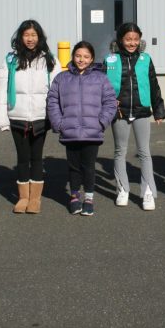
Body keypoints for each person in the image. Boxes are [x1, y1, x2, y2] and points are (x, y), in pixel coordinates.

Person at [46, 41, 117, 216]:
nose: (81, 59)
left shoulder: (100, 78)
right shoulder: (61, 78)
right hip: (69, 131)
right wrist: (59, 123)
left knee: (89, 166)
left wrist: (101, 122)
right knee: (73, 167)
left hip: (92, 132)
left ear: (92, 58)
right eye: (78, 56)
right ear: (72, 57)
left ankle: (89, 198)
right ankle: (75, 197)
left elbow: (110, 102)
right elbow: (52, 101)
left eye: (86, 56)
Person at [0, 20, 60, 214]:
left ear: (39, 37)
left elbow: (57, 90)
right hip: (18, 115)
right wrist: (3, 118)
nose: (30, 39)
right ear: (20, 37)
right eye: (26, 35)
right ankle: (23, 197)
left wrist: (56, 117)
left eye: (33, 35)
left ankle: (35, 199)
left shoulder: (49, 59)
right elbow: (2, 91)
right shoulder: (10, 60)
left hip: (41, 116)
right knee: (22, 158)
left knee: (37, 157)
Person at [104, 23, 165, 211]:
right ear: (120, 40)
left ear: (140, 40)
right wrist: (106, 105)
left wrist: (159, 110)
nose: (132, 43)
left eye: (135, 39)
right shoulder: (110, 59)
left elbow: (154, 84)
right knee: (119, 151)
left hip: (141, 110)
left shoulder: (146, 59)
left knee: (144, 152)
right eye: (128, 39)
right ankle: (122, 189)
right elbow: (102, 85)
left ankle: (148, 193)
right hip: (119, 112)